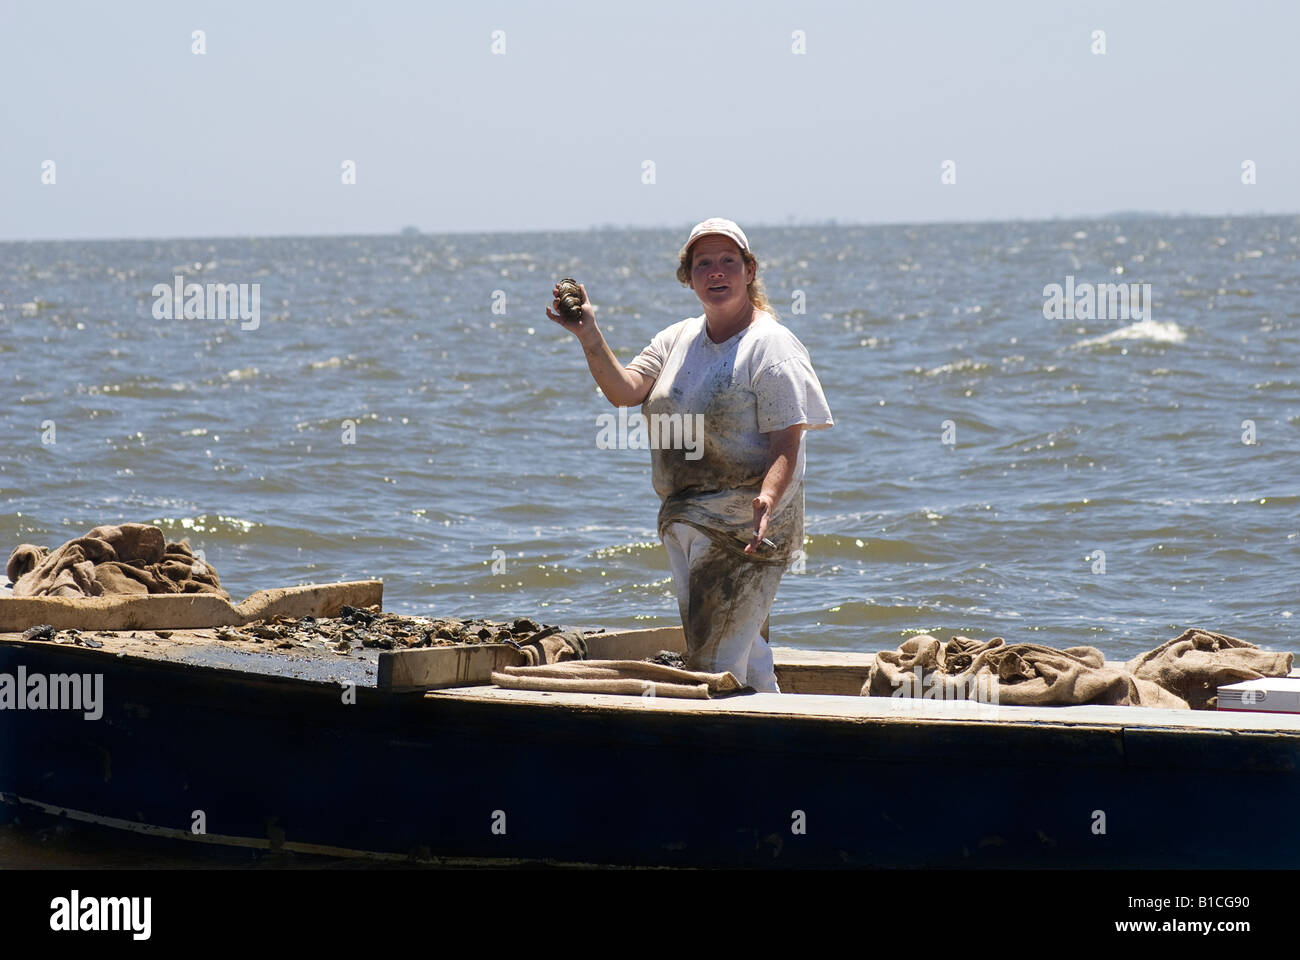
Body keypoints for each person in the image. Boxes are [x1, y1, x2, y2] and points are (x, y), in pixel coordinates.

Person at [546, 217, 833, 692]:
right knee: (745, 653)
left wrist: (767, 497)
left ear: (749, 270)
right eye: (704, 264)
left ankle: (718, 756)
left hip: (746, 527)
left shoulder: (771, 345)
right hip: (684, 520)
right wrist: (589, 336)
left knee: (713, 659)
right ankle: (775, 738)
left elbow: (789, 437)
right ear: (688, 275)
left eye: (727, 261)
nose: (716, 272)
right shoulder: (675, 339)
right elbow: (625, 390)